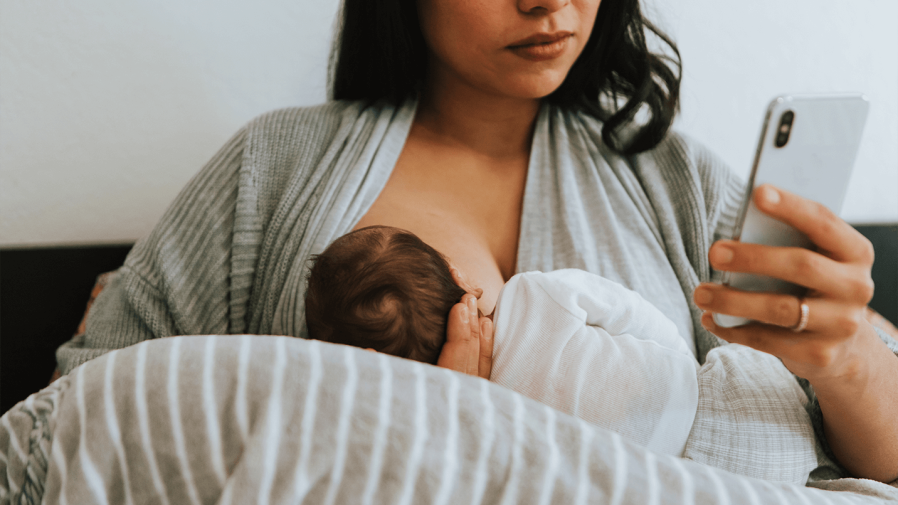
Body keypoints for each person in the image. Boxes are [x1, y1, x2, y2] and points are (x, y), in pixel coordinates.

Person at [55, 0, 898, 483]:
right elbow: (82, 421)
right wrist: (421, 443)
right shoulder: (272, 168)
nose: (548, 0)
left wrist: (851, 359)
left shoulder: (672, 177)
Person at [303, 224, 824, 486]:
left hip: (668, 483)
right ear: (459, 276)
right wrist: (684, 370)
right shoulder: (535, 294)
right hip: (738, 413)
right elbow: (633, 314)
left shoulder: (485, 426)